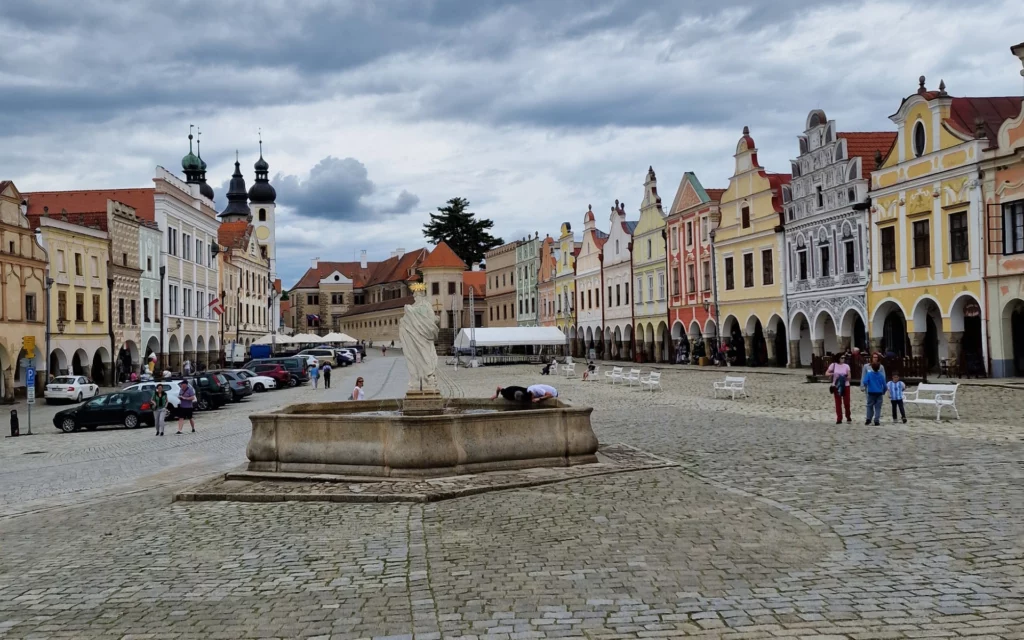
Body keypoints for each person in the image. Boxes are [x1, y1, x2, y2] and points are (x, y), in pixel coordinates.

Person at [825, 353, 852, 424]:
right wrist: (832, 374)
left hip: (845, 385)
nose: (843, 359)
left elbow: (849, 377)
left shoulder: (846, 366)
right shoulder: (833, 365)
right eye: (842, 358)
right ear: (838, 358)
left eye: (844, 358)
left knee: (846, 402)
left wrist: (844, 377)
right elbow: (826, 373)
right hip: (836, 385)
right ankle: (839, 418)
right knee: (838, 402)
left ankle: (848, 416)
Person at [862, 360, 886, 426]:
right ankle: (876, 420)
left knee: (869, 406)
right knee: (878, 407)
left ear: (872, 367)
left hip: (871, 392)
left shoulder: (869, 374)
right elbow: (885, 385)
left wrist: (867, 385)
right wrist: (883, 391)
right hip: (879, 393)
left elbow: (865, 382)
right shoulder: (881, 375)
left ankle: (868, 419)